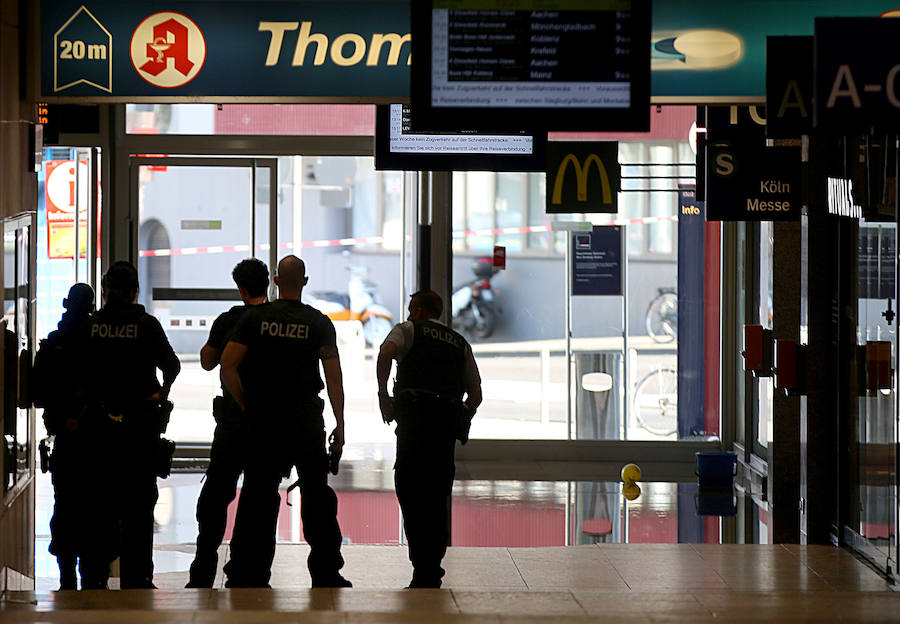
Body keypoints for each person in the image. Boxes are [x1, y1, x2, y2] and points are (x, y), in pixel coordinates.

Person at [219, 255, 351, 588]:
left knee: (257, 497)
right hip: (306, 421)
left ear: (276, 281)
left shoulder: (255, 319)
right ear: (304, 282)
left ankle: (248, 572)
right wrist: (340, 422)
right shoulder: (319, 323)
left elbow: (227, 364)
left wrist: (244, 404)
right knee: (318, 497)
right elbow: (333, 377)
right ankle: (326, 572)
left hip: (264, 421)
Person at [376, 289, 482, 589]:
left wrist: (384, 394)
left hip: (414, 421)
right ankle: (431, 566)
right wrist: (460, 415)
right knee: (437, 495)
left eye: (412, 308)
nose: (409, 314)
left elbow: (385, 353)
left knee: (409, 488)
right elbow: (476, 394)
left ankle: (420, 562)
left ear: (421, 310)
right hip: (444, 424)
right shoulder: (460, 343)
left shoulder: (407, 329)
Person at [86, 260, 181, 589]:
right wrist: (159, 394)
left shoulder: (92, 325)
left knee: (99, 504)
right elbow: (172, 365)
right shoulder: (147, 325)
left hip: (97, 430)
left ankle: (96, 576)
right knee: (139, 506)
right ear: (134, 292)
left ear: (106, 290)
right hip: (139, 430)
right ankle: (138, 577)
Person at [186, 258, 269, 588]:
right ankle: (247, 570)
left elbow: (208, 361)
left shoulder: (230, 320)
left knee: (216, 497)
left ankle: (203, 569)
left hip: (234, 421)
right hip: (269, 423)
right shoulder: (277, 320)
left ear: (241, 289)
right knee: (258, 497)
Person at [33, 284, 95, 589]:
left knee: (65, 503)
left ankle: (67, 570)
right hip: (97, 438)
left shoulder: (53, 343)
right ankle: (93, 572)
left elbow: (37, 394)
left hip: (64, 440)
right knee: (96, 503)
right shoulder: (99, 340)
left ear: (66, 305)